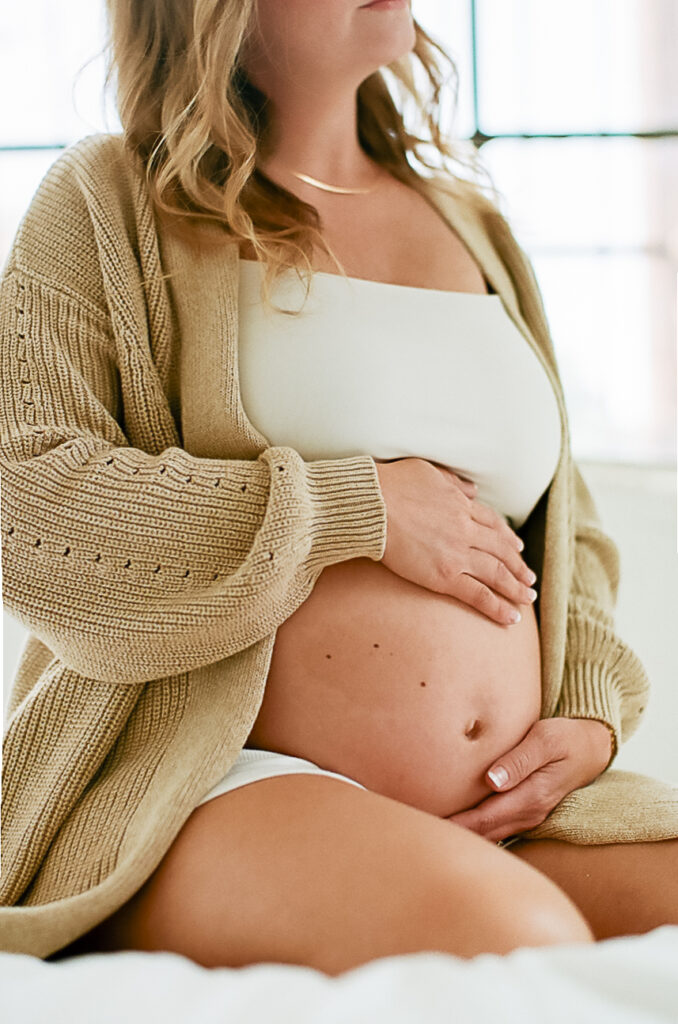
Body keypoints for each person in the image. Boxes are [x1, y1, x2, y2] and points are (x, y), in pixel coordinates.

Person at [2, 0, 677, 976]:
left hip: (505, 799)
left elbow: (567, 529)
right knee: (520, 943)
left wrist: (586, 706)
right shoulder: (108, 201)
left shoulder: (471, 222)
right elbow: (31, 509)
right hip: (220, 779)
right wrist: (349, 508)